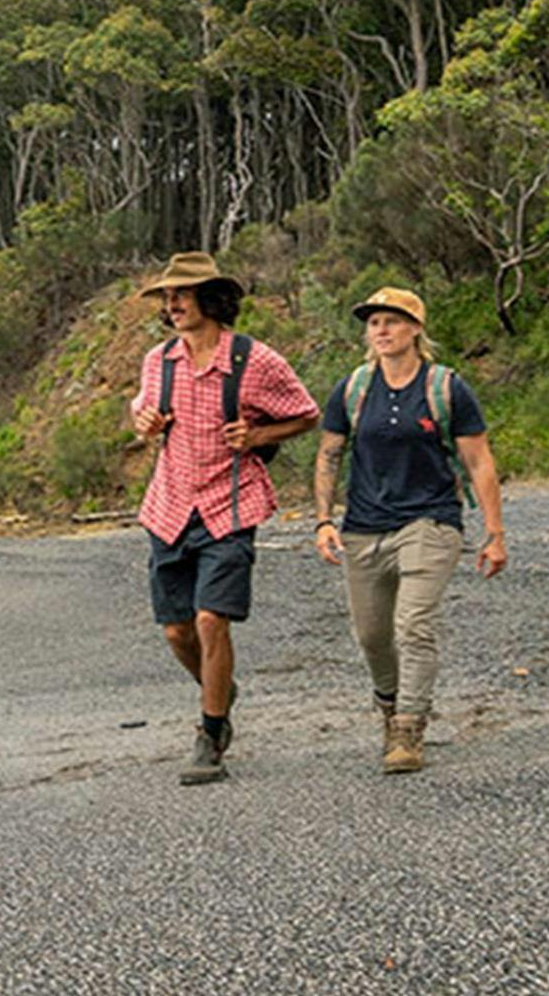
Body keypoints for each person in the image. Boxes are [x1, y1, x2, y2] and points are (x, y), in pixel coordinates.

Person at [129, 252, 319, 785]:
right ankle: (221, 688)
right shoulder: (157, 361)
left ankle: (211, 733)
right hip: (168, 507)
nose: (173, 305)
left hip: (230, 505)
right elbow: (142, 411)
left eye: (182, 294)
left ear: (210, 299)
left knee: (213, 619)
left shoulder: (254, 361)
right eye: (168, 298)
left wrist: (259, 436)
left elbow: (306, 413)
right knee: (175, 631)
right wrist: (144, 420)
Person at [312, 287, 507, 774]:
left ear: (416, 329)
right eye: (374, 323)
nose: (381, 331)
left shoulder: (445, 388)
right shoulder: (353, 389)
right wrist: (322, 520)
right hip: (363, 527)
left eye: (392, 322)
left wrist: (494, 531)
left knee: (414, 624)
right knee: (372, 635)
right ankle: (390, 706)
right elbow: (329, 455)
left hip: (431, 520)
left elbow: (478, 461)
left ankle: (408, 727)